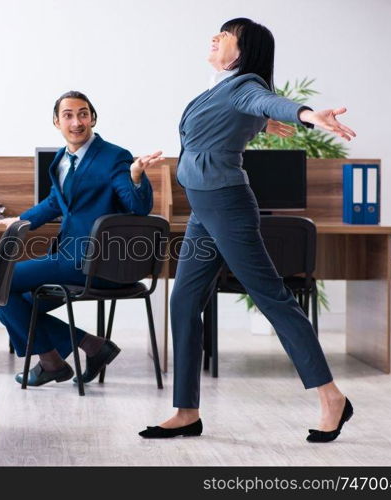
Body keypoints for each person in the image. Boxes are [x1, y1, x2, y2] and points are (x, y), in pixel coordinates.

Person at [139, 18, 356, 443]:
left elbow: (268, 102)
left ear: (243, 50)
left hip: (227, 207)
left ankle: (332, 397)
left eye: (227, 33)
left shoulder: (245, 84)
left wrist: (307, 115)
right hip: (204, 209)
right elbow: (238, 119)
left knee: (272, 298)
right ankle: (186, 411)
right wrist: (260, 123)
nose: (216, 36)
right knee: (183, 302)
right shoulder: (222, 88)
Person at [0, 90, 164, 387]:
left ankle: (55, 361)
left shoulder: (114, 157)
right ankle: (87, 347)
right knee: (13, 304)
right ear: (56, 121)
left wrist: (136, 175)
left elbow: (138, 207)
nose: (77, 122)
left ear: (93, 118)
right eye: (69, 115)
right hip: (70, 257)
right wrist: (22, 220)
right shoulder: (61, 159)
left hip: (97, 263)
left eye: (83, 114)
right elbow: (54, 202)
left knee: (1, 283)